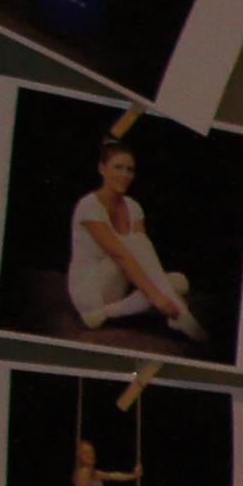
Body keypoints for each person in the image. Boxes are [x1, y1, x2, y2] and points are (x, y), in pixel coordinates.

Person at [68, 140, 200, 339]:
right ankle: (183, 317)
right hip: (89, 289)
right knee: (135, 246)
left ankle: (104, 314)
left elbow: (143, 258)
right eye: (118, 167)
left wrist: (160, 291)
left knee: (178, 281)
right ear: (102, 168)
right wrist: (159, 298)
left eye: (129, 170)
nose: (125, 175)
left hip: (117, 287)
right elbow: (121, 255)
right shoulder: (88, 206)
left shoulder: (133, 206)